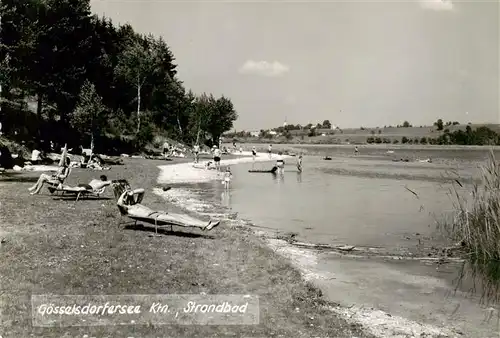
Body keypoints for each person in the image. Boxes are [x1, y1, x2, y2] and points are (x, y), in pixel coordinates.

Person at [115, 183, 220, 231]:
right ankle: (205, 225)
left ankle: (204, 225)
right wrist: (124, 193)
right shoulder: (127, 208)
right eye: (127, 191)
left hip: (158, 213)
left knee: (183, 215)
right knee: (180, 220)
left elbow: (142, 190)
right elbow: (119, 203)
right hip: (156, 218)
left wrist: (132, 191)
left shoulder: (135, 203)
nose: (130, 193)